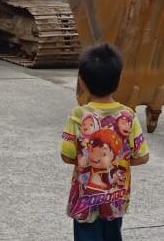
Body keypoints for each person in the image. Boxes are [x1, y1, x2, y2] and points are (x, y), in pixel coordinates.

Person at [60, 44, 150, 241]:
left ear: (82, 82)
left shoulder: (78, 115)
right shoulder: (128, 115)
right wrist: (118, 161)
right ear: (118, 80)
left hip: (85, 198)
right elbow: (142, 156)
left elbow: (67, 155)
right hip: (115, 198)